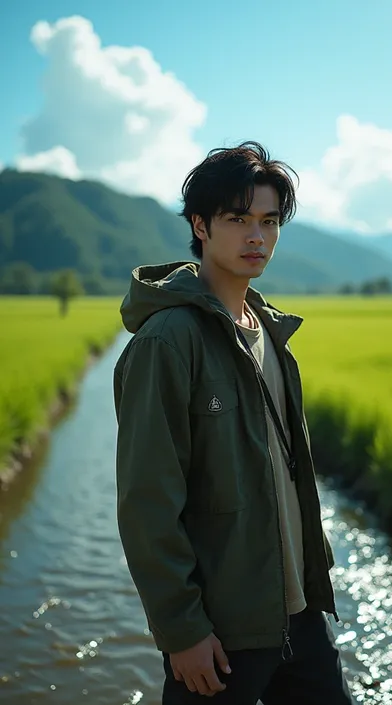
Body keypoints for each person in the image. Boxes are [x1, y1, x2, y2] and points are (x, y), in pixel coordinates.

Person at [114, 142, 355, 704]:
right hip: (222, 630)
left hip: (299, 612)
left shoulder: (269, 330)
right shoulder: (168, 341)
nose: (257, 236)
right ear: (200, 225)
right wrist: (183, 631)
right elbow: (147, 501)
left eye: (269, 221)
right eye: (238, 219)